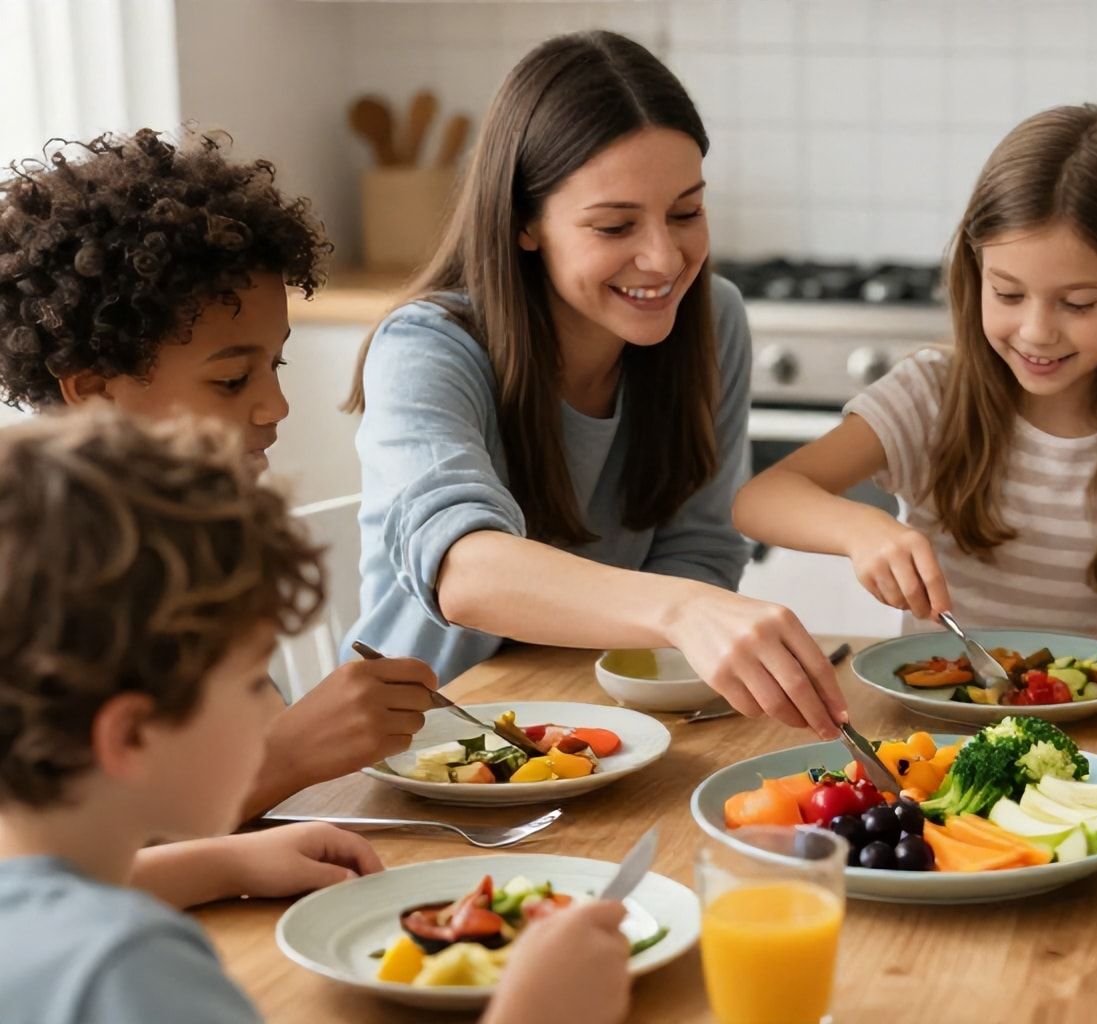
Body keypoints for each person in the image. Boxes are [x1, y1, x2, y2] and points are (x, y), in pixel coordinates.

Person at [0, 409, 634, 1024]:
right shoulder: (128, 969)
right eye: (253, 681)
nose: (273, 705)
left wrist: (221, 864)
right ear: (133, 735)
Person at [344, 31, 845, 736]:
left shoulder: (713, 319)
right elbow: (463, 570)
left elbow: (700, 549)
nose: (664, 258)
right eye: (615, 225)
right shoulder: (426, 346)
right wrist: (678, 611)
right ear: (524, 222)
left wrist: (664, 646)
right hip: (421, 741)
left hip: (600, 728)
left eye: (685, 212)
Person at [0, 128, 436, 813]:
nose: (277, 404)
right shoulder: (33, 589)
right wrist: (288, 754)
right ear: (91, 391)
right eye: (233, 379)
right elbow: (56, 870)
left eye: (276, 363)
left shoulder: (195, 546)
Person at [733, 105, 1097, 656]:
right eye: (1007, 294)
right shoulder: (931, 396)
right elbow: (760, 499)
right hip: (946, 729)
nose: (1036, 332)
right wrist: (860, 530)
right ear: (975, 269)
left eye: (1077, 303)